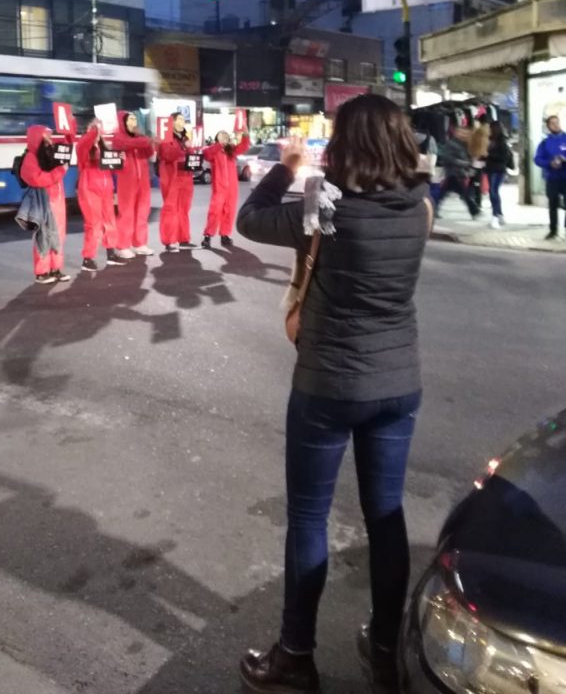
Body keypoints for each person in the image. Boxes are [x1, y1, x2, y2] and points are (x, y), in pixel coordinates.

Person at [236, 94, 431, 694]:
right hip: (398, 383)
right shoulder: (420, 207)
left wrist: (287, 167)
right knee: (386, 516)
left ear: (345, 143)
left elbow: (250, 218)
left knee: (309, 517)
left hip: (328, 385)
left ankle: (295, 656)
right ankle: (385, 651)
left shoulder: (324, 206)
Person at [19, 123, 72, 283]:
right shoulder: (31, 158)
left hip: (56, 200)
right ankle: (42, 272)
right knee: (44, 235)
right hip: (45, 200)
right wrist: (60, 171)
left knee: (58, 235)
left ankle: (55, 268)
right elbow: (37, 179)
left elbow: (67, 145)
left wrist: (69, 131)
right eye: (47, 136)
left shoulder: (48, 153)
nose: (50, 139)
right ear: (38, 137)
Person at [76, 120, 125, 271]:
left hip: (106, 190)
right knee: (93, 224)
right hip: (89, 190)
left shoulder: (104, 149)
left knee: (110, 222)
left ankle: (111, 254)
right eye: (92, 128)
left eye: (98, 129)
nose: (96, 131)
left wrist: (121, 160)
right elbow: (85, 142)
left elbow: (114, 170)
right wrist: (95, 129)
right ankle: (88, 259)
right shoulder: (83, 147)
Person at [112, 111, 154, 258]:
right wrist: (145, 140)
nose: (134, 121)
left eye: (135, 119)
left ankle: (139, 243)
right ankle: (122, 245)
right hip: (126, 181)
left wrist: (144, 140)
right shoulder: (118, 137)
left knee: (143, 212)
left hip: (143, 181)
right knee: (126, 213)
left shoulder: (139, 137)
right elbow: (126, 144)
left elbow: (149, 152)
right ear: (123, 122)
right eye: (130, 119)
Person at [201, 129, 250, 249]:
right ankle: (208, 236)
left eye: (226, 135)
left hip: (232, 188)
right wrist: (219, 145)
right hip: (219, 187)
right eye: (221, 135)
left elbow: (244, 146)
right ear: (216, 138)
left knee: (229, 211)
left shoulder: (231, 150)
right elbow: (206, 154)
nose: (224, 137)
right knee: (214, 211)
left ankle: (225, 235)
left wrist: (245, 134)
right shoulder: (213, 150)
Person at [158, 113, 197, 253]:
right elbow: (167, 154)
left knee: (184, 209)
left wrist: (189, 148)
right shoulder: (166, 137)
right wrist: (183, 148)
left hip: (186, 177)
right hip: (172, 177)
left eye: (183, 119)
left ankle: (183, 239)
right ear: (172, 122)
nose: (182, 121)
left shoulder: (185, 138)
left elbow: (191, 156)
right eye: (179, 119)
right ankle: (168, 241)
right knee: (170, 209)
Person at [435, 126, 479, 219]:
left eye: (465, 133)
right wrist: (464, 163)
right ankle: (474, 211)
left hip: (457, 173)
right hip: (453, 173)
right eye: (461, 132)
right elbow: (448, 158)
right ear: (456, 133)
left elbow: (464, 157)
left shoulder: (462, 144)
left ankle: (434, 209)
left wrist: (468, 166)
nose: (464, 135)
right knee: (463, 193)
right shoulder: (452, 144)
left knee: (444, 193)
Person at [534, 114, 566, 239]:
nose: (556, 125)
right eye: (552, 123)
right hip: (552, 178)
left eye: (557, 122)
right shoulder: (545, 143)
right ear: (548, 126)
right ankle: (553, 230)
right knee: (553, 204)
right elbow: (537, 159)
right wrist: (549, 163)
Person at [484, 121, 514, 229]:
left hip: (498, 170)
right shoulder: (491, 140)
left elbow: (503, 157)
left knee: (493, 193)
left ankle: (495, 216)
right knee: (494, 192)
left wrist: (488, 156)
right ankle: (499, 215)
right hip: (491, 169)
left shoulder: (502, 141)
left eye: (490, 128)